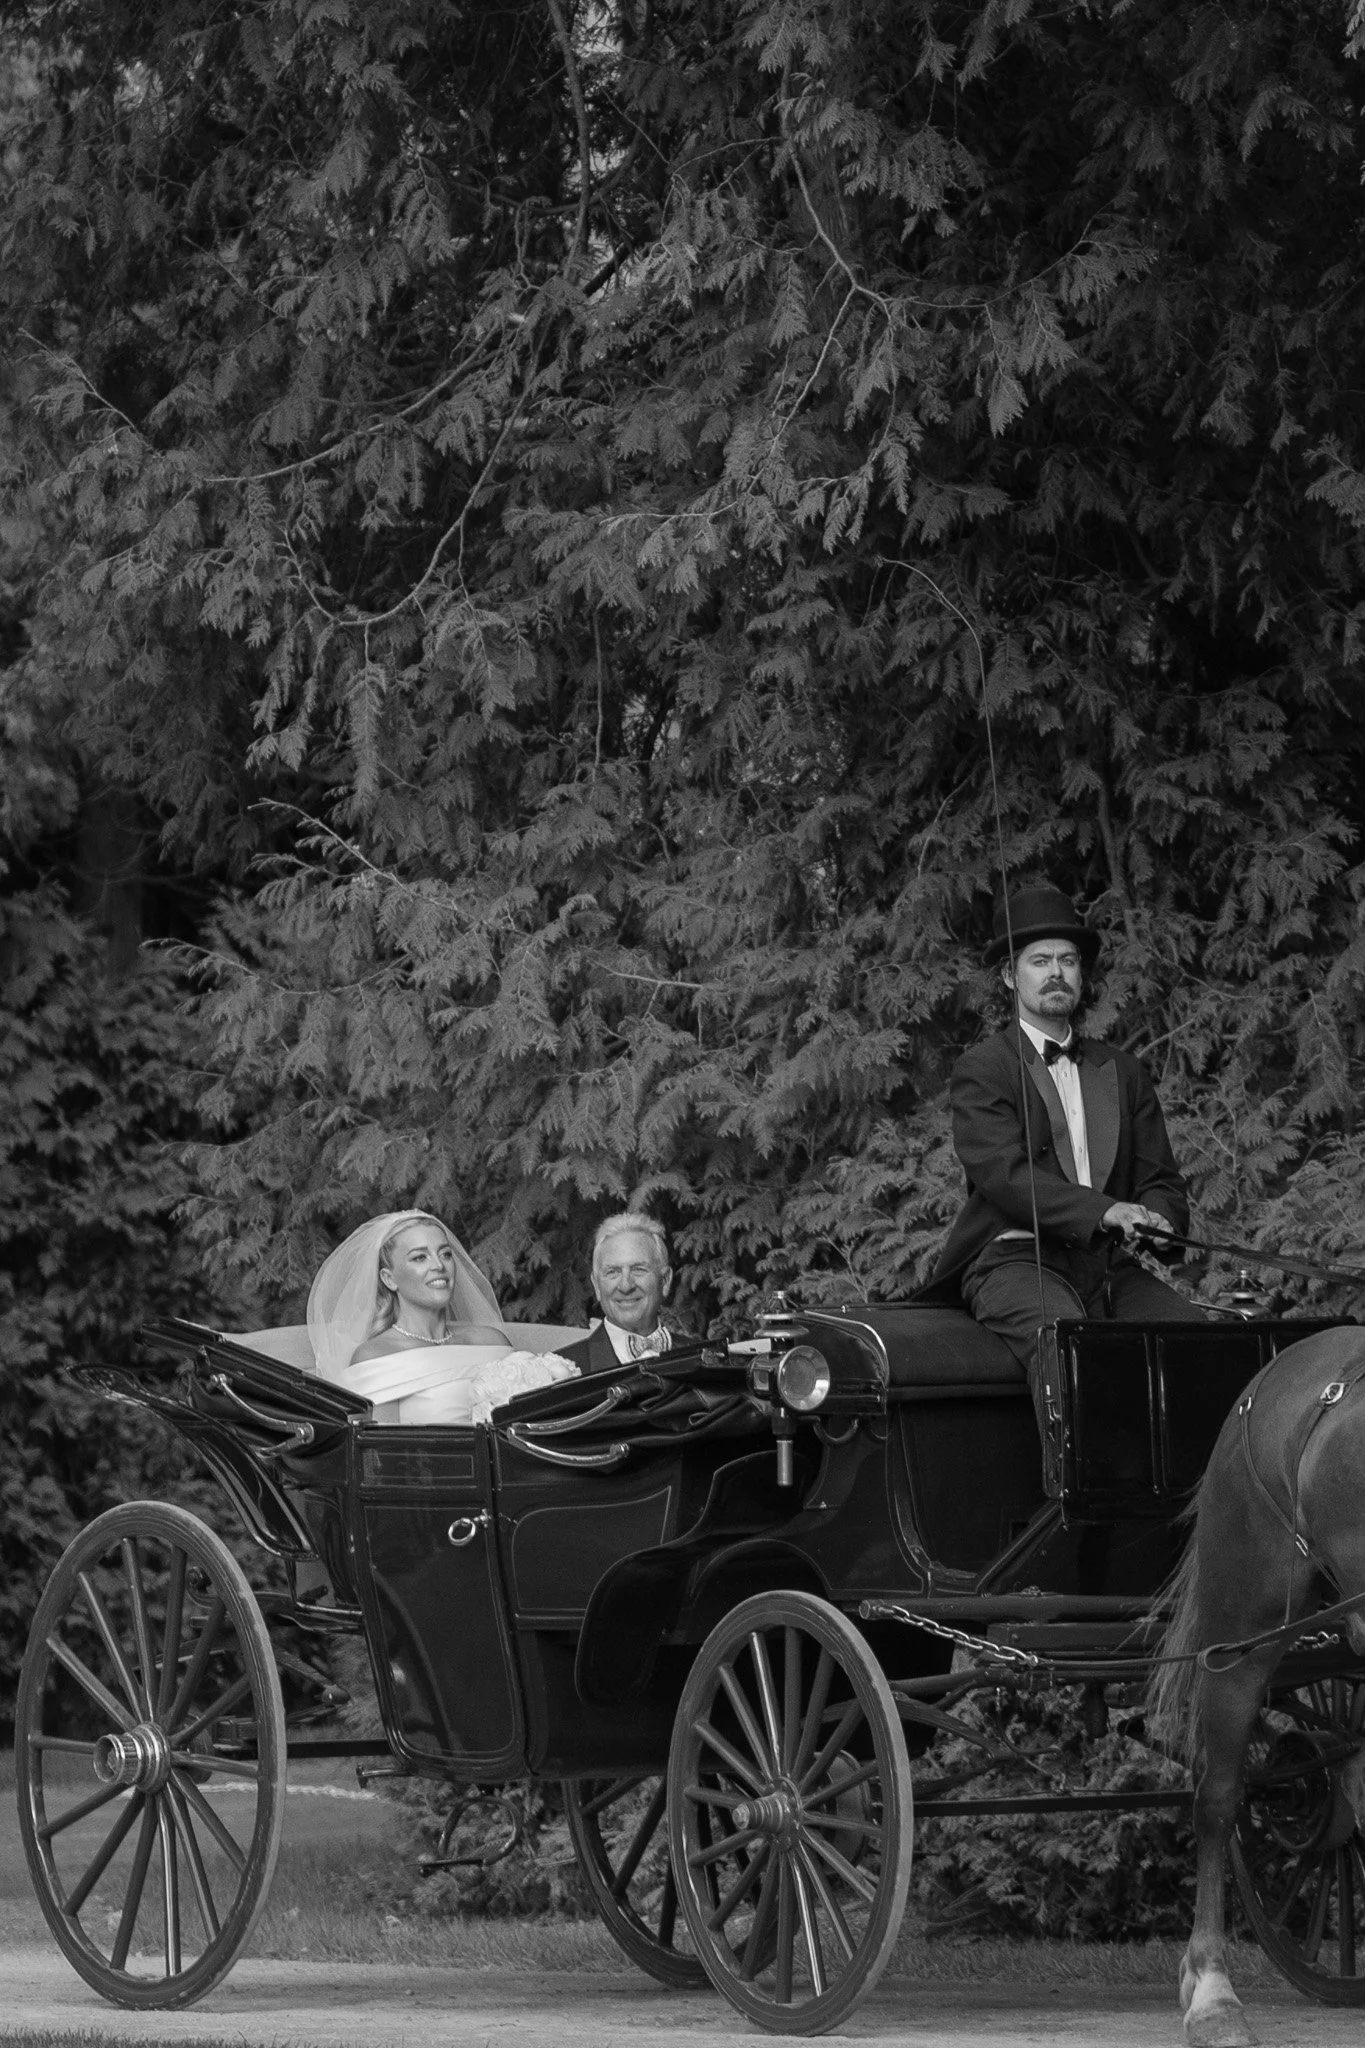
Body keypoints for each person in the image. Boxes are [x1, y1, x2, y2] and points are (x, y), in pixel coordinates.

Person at [931, 882, 1199, 1431]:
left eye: (1068, 961)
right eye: (1040, 960)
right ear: (1011, 976)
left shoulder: (1122, 1071)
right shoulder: (984, 1068)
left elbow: (1160, 1180)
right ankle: (1077, 1510)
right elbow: (1005, 1176)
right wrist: (1104, 1211)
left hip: (1106, 1267)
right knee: (1071, 1346)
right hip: (1013, 1263)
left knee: (1194, 1342)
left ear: (1081, 975)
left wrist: (1159, 1221)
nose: (1056, 972)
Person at [307, 1211, 578, 1424]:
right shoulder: (375, 1356)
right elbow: (384, 1456)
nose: (439, 1266)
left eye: (445, 1254)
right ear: (389, 1279)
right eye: (419, 1257)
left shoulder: (490, 1341)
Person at [558, 1212, 692, 1374]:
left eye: (638, 1270)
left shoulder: (702, 1358)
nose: (625, 1285)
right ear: (597, 1286)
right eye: (613, 1272)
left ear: (664, 1281)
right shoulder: (560, 1370)